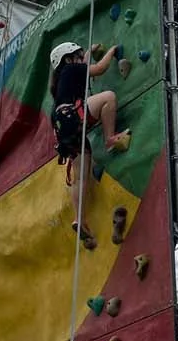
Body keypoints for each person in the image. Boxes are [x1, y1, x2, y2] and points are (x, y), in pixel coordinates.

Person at [48, 40, 131, 248]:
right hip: (72, 115)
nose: (80, 58)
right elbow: (99, 69)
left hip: (62, 128)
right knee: (108, 98)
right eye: (77, 56)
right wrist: (111, 51)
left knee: (80, 178)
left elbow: (82, 67)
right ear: (68, 59)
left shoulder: (62, 79)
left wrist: (89, 53)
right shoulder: (72, 69)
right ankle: (110, 138)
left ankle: (79, 219)